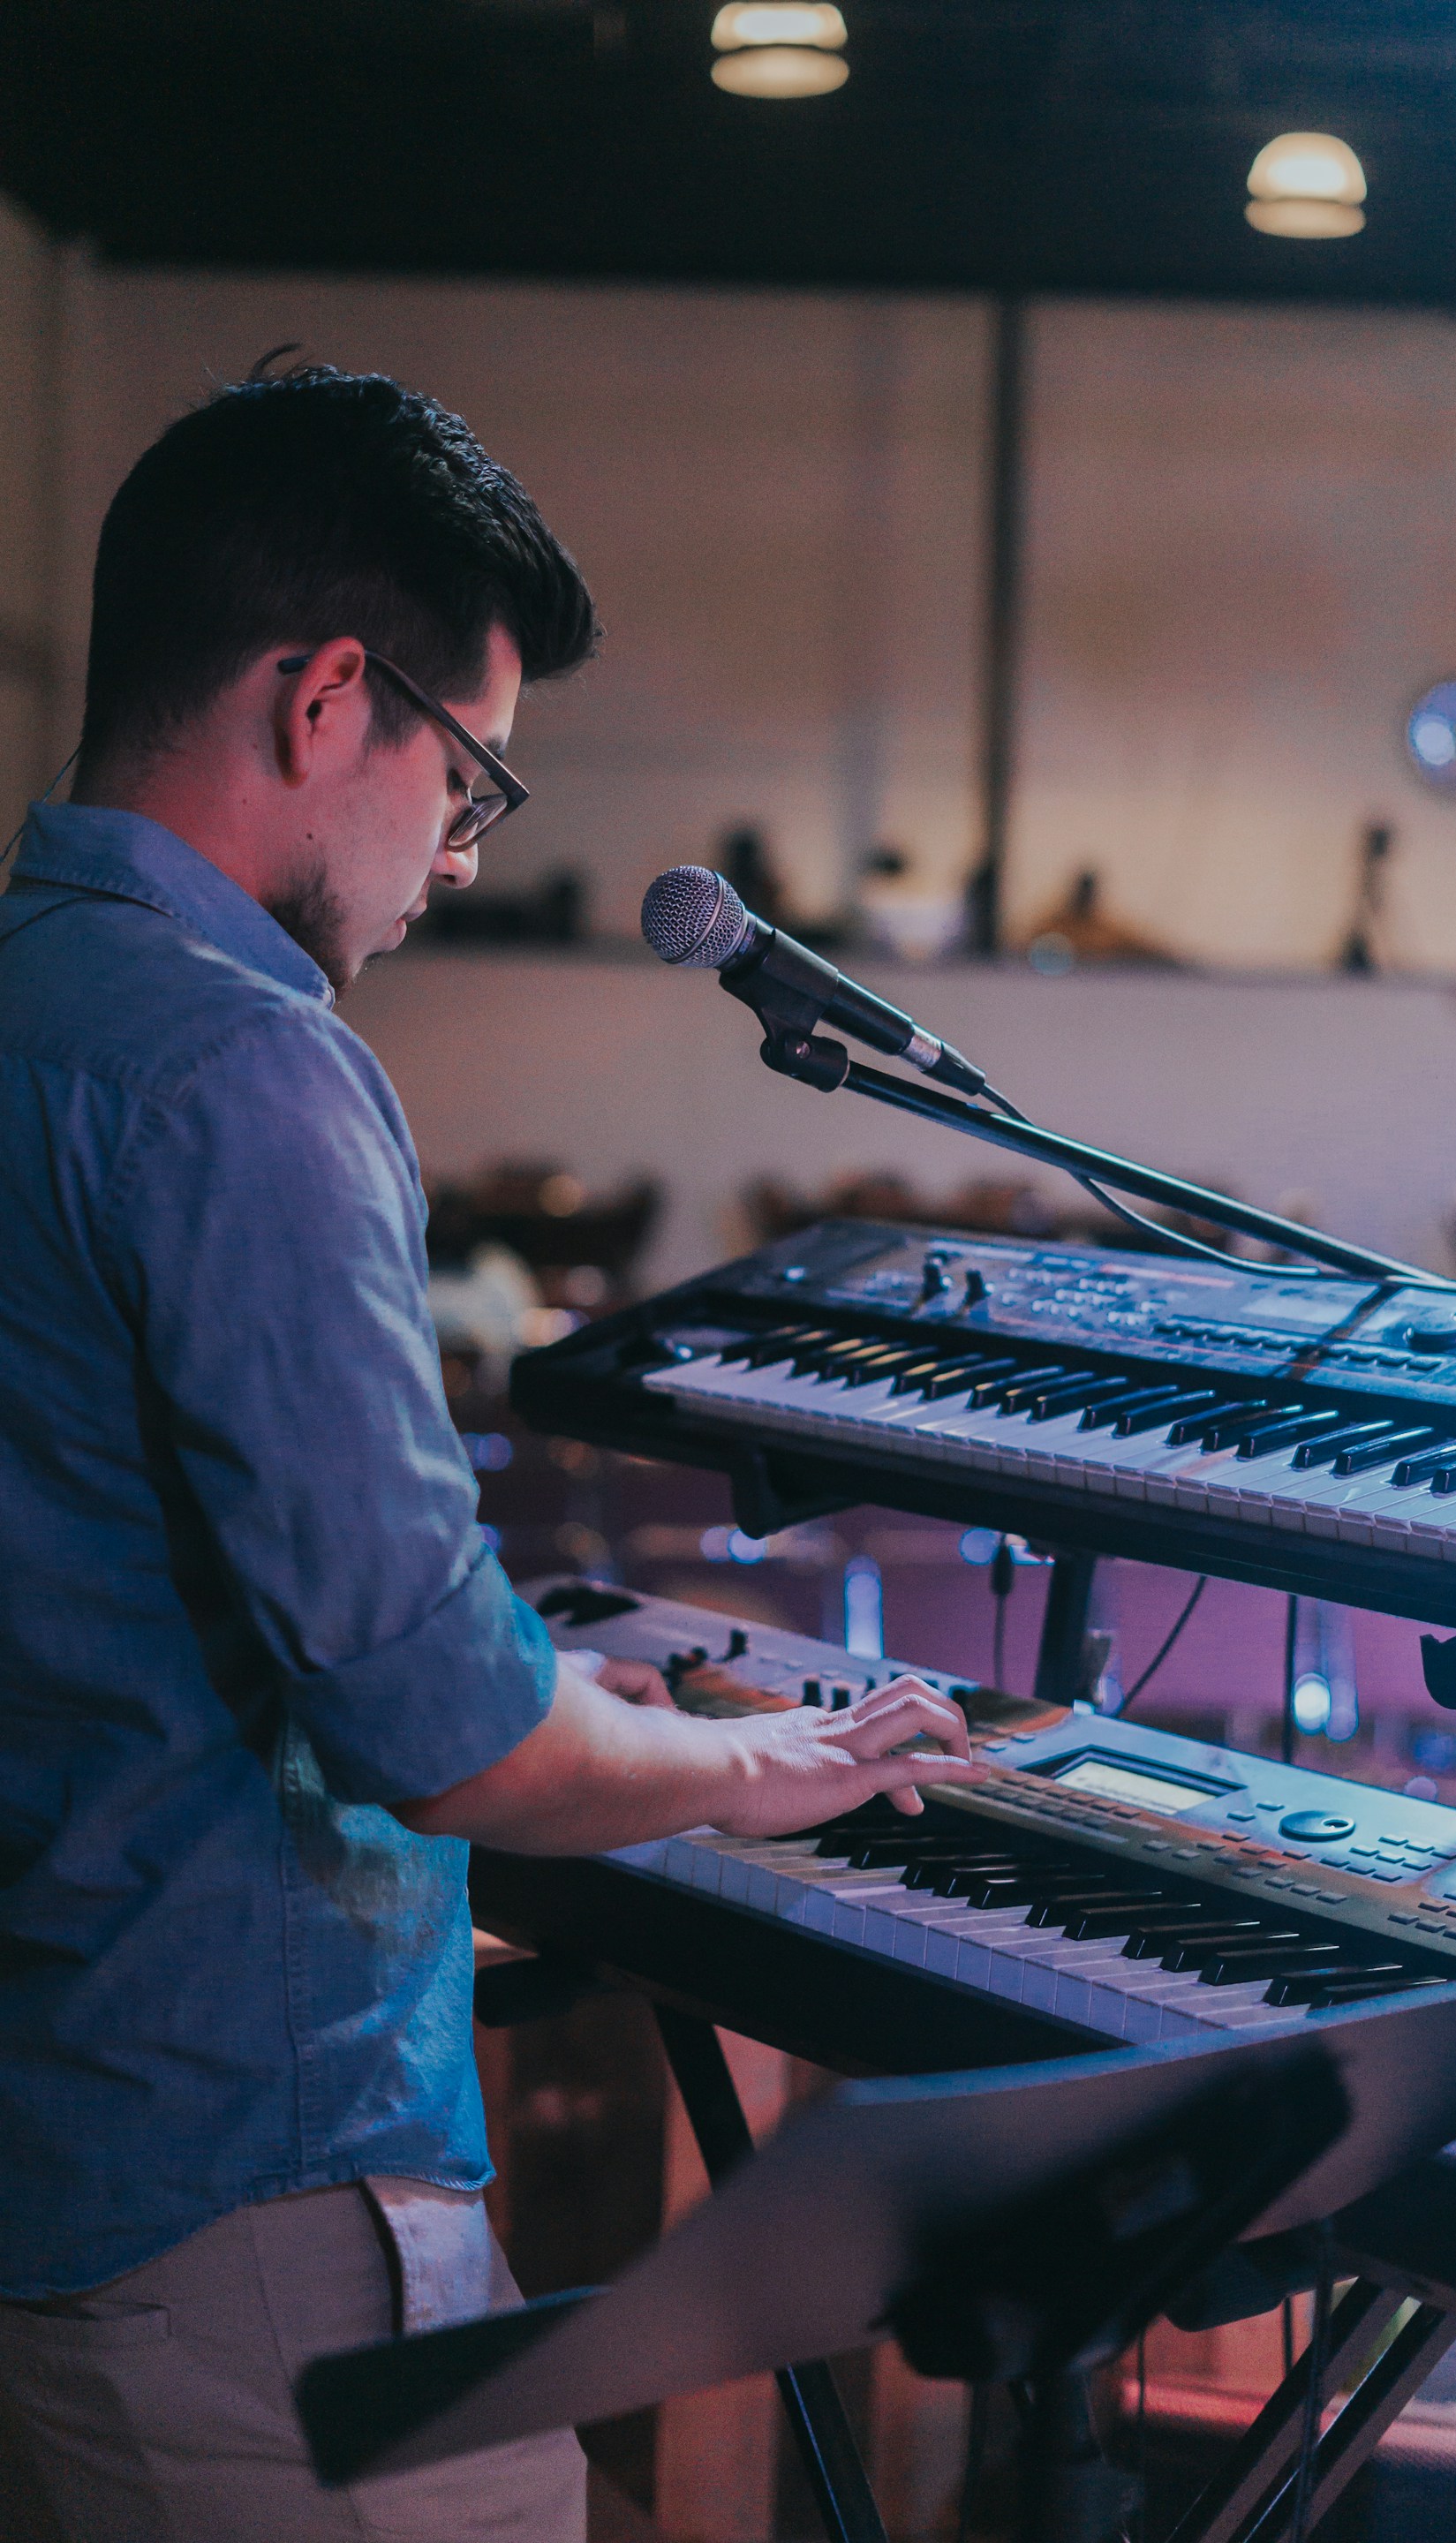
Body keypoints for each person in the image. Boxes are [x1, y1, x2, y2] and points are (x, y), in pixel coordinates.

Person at [0, 359, 979, 2541]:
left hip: (65, 2159)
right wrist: (759, 1760)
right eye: (472, 783)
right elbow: (444, 1733)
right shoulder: (251, 1066)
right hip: (248, 2197)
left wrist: (597, 1702)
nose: (458, 854)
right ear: (328, 697)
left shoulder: (33, 999)